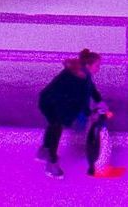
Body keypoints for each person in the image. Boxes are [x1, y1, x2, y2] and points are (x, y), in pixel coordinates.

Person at [36, 49, 108, 179]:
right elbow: (80, 100)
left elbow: (91, 89)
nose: (99, 68)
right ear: (88, 66)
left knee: (54, 124)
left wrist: (99, 101)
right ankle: (51, 163)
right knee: (56, 126)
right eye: (97, 65)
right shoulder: (78, 77)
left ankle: (44, 151)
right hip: (50, 103)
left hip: (51, 100)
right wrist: (90, 114)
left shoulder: (83, 74)